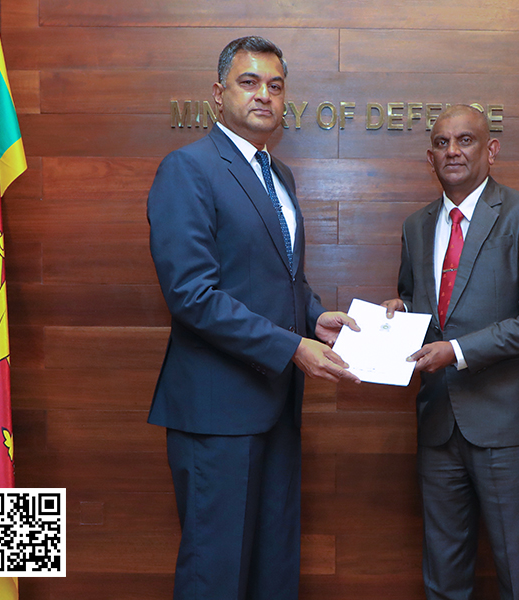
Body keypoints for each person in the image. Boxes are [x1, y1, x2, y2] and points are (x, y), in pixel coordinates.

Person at [146, 36, 360, 600]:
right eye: (249, 82)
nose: (264, 95)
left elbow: (279, 279)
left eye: (275, 85)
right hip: (216, 412)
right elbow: (192, 293)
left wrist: (314, 318)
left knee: (272, 569)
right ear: (218, 95)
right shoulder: (188, 170)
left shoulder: (279, 176)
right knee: (214, 575)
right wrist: (292, 347)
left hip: (277, 408)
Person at [382, 104, 519, 600]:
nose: (453, 151)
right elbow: (422, 307)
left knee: (516, 573)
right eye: (442, 144)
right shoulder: (416, 225)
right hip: (439, 423)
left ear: (491, 150)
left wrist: (457, 351)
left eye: (465, 140)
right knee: (443, 576)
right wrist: (400, 310)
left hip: (506, 424)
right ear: (429, 158)